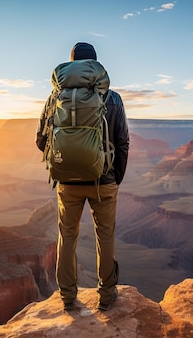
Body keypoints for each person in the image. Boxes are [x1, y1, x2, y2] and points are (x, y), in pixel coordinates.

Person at [35, 42, 130, 311]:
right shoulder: (112, 98)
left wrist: (64, 161)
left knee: (67, 238)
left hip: (67, 182)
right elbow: (123, 142)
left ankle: (67, 298)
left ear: (72, 64)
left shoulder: (55, 97)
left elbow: (41, 140)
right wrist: (115, 177)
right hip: (104, 181)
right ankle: (107, 297)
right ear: (95, 66)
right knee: (106, 237)